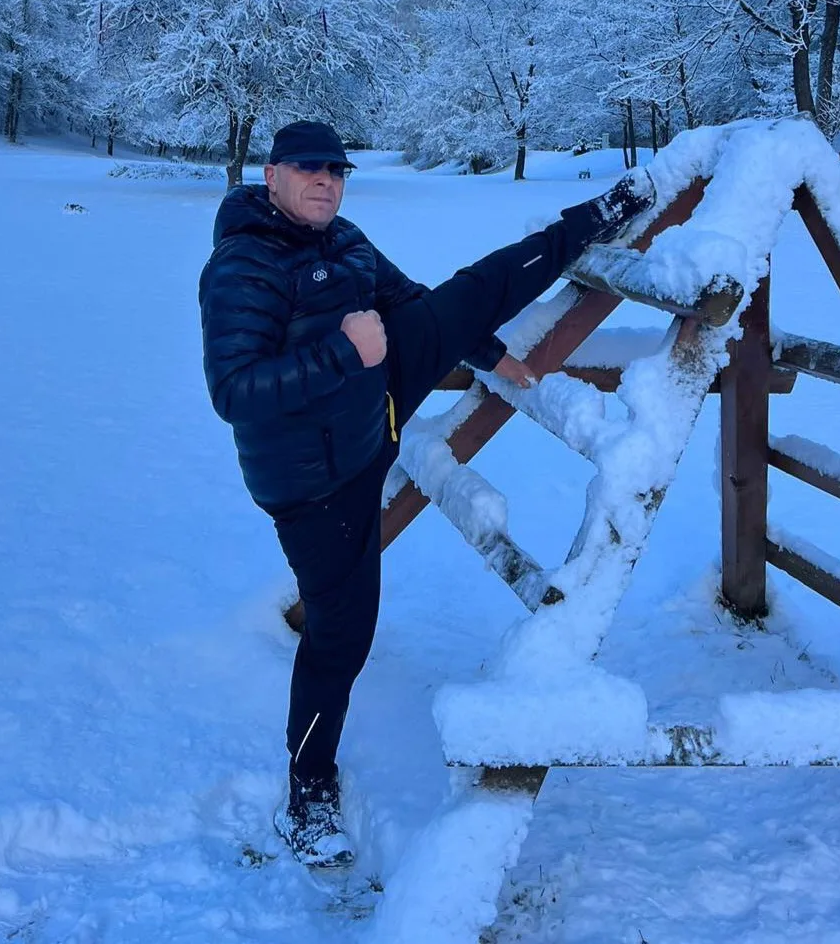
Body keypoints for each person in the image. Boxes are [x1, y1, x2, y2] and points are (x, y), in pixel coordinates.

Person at [198, 120, 655, 867]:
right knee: (343, 635)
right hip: (314, 481)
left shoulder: (344, 240)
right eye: (309, 170)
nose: (325, 182)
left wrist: (483, 349)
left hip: (368, 412)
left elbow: (409, 300)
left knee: (473, 292)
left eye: (337, 171)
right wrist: (346, 350)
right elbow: (234, 390)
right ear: (272, 176)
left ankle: (598, 214)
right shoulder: (242, 267)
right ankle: (308, 792)